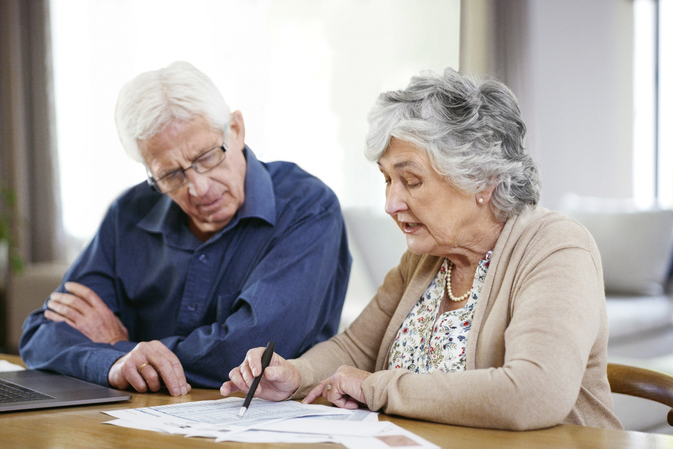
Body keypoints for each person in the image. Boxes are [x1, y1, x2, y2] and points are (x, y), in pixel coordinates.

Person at [221, 68, 623, 431]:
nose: (390, 203)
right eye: (387, 180)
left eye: (411, 181)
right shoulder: (426, 259)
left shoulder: (556, 248)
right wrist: (296, 374)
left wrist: (379, 388)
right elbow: (356, 347)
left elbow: (533, 393)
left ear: (481, 179)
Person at [19, 61, 351, 396]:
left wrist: (120, 348)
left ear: (236, 130)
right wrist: (115, 363)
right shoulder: (128, 213)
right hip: (140, 415)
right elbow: (42, 336)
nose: (199, 188)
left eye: (206, 157)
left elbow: (251, 354)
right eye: (170, 175)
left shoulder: (307, 207)